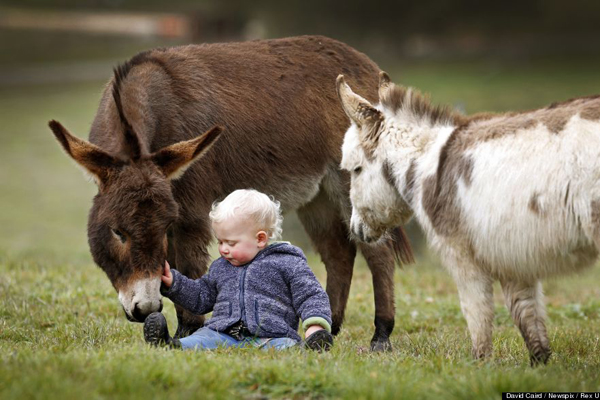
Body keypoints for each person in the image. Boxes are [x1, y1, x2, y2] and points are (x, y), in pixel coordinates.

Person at [144, 189, 334, 351]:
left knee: (286, 346)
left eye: (231, 243)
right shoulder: (221, 267)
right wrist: (174, 282)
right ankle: (168, 343)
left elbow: (311, 295)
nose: (223, 249)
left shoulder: (288, 262)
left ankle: (310, 347)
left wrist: (315, 327)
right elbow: (201, 297)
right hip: (221, 333)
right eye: (220, 241)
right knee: (200, 340)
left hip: (271, 335)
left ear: (260, 239)